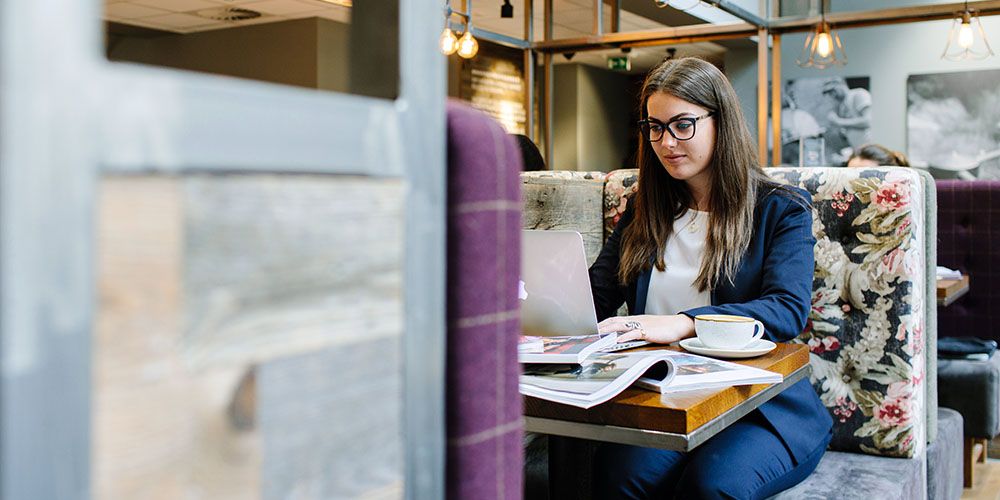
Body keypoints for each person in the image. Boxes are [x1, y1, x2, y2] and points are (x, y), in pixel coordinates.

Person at [588, 57, 833, 499]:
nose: (666, 142)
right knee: (614, 477)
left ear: (721, 122)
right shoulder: (644, 210)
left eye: (683, 124)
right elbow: (593, 298)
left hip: (757, 402)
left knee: (711, 487)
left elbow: (787, 308)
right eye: (655, 127)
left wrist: (683, 322)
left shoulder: (780, 209)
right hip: (667, 399)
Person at [822, 78, 872, 155]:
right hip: (859, 151)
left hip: (871, 147)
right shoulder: (842, 106)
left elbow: (869, 121)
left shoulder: (858, 94)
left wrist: (838, 121)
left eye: (833, 90)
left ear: (842, 84)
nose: (832, 94)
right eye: (829, 93)